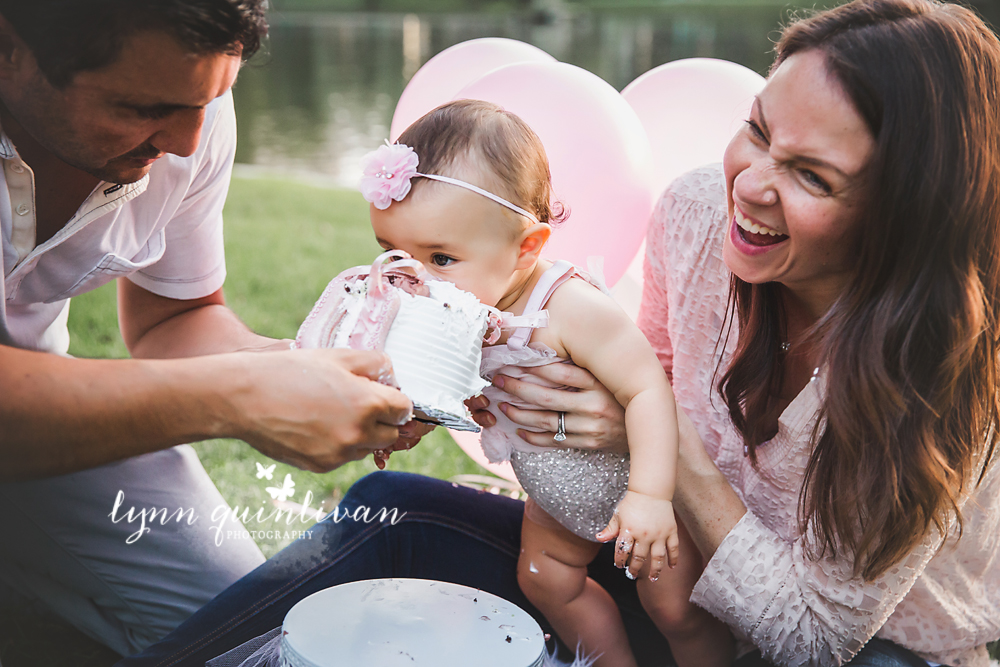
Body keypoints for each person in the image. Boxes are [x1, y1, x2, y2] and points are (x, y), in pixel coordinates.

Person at [120, 0, 1000, 666]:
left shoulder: (939, 363)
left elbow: (813, 636)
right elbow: (644, 370)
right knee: (386, 520)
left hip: (867, 648)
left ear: (903, 216)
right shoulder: (699, 212)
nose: (751, 183)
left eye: (811, 174)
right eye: (758, 131)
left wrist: (652, 457)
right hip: (662, 554)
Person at [0, 0, 415, 657]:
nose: (188, 144)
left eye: (218, 94)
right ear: (9, 48)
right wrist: (240, 396)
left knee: (250, 628)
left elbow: (175, 316)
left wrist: (300, 368)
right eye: (142, 108)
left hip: (65, 415)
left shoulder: (194, 116)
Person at [355, 99, 721, 667]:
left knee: (676, 609)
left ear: (527, 248)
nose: (415, 278)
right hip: (553, 499)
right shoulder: (449, 306)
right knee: (547, 581)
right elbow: (442, 386)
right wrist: (407, 418)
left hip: (630, 488)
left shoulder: (570, 307)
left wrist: (650, 498)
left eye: (442, 257)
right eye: (395, 252)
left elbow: (648, 388)